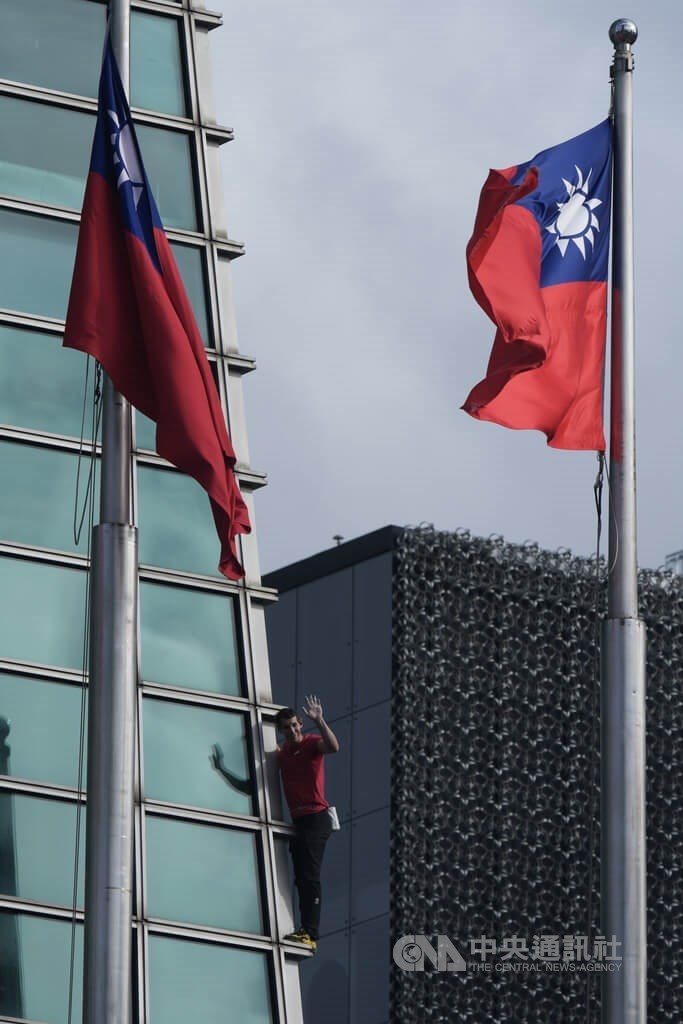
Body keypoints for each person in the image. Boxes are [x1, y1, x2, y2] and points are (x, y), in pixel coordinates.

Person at [276, 694, 340, 953]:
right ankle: (305, 930)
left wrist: (320, 720)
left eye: (294, 725)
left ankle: (311, 932)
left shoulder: (312, 743)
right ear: (280, 731)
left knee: (310, 874)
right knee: (302, 877)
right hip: (300, 820)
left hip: (316, 816)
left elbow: (333, 747)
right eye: (286, 728)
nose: (292, 730)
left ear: (301, 723)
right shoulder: (282, 755)